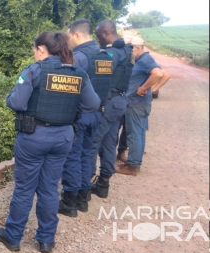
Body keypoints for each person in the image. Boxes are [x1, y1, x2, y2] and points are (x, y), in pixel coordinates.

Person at [0, 31, 100, 253]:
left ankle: (13, 236)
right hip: (63, 137)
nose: (34, 54)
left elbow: (16, 103)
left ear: (41, 49)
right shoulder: (79, 74)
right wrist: (69, 112)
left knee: (24, 188)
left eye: (35, 50)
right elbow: (92, 104)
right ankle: (46, 240)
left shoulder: (34, 70)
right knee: (51, 187)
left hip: (34, 136)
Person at [58, 19, 111, 217]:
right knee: (87, 154)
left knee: (72, 156)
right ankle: (83, 196)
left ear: (76, 35)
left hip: (80, 116)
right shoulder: (105, 55)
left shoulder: (79, 57)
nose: (69, 40)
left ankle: (69, 201)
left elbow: (67, 87)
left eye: (69, 35)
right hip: (98, 114)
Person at [89, 20, 134, 198]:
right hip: (119, 102)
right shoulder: (127, 50)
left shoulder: (111, 53)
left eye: (99, 35)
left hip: (107, 104)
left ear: (107, 33)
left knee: (91, 143)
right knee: (109, 143)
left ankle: (84, 185)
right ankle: (103, 185)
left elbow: (100, 79)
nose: (98, 39)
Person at [115, 36, 170, 176]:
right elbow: (163, 74)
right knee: (138, 134)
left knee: (134, 135)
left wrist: (145, 87)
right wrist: (153, 89)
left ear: (137, 48)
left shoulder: (145, 59)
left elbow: (161, 74)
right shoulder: (142, 59)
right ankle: (134, 162)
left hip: (136, 104)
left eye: (129, 49)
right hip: (138, 103)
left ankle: (132, 166)